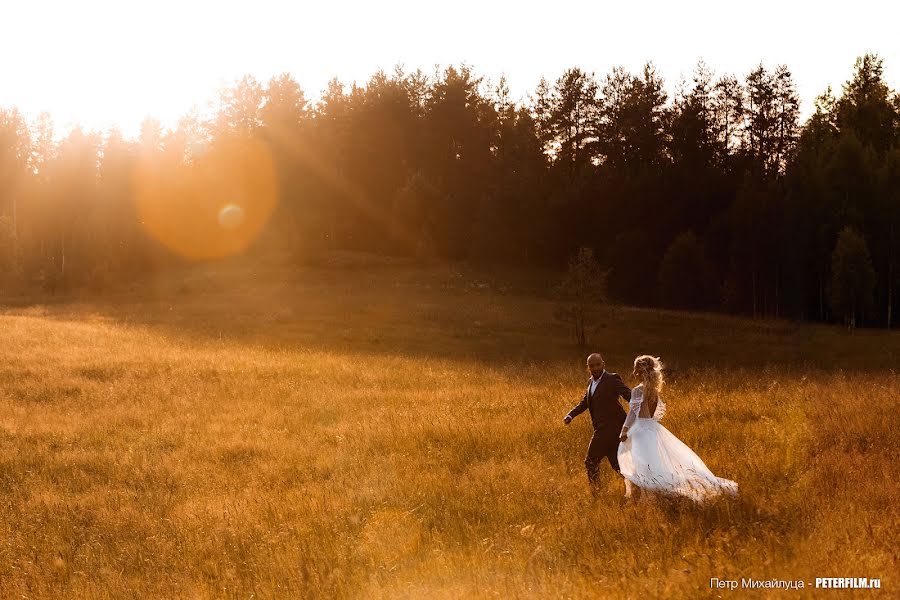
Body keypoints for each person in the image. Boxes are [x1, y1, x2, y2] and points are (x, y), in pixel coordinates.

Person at [617, 355, 738, 502]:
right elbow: (654, 415)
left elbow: (633, 412)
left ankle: (647, 497)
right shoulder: (654, 390)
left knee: (641, 465)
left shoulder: (638, 390)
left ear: (642, 371)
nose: (634, 373)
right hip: (652, 429)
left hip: (640, 431)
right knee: (653, 464)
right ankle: (654, 497)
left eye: (636, 370)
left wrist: (624, 429)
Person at [563, 353, 632, 495]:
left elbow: (629, 395)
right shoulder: (590, 383)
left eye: (597, 364)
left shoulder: (612, 379)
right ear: (588, 367)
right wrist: (570, 415)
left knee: (590, 461)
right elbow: (585, 403)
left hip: (610, 429)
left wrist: (641, 410)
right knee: (617, 466)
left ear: (603, 364)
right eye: (591, 366)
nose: (595, 368)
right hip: (606, 430)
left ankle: (596, 493)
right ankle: (638, 488)